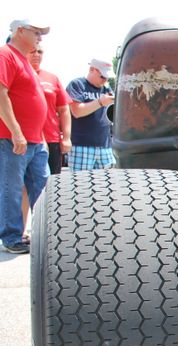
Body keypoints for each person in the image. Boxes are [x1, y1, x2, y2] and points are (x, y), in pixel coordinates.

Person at [0, 19, 50, 254]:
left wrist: (39, 137)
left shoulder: (24, 60)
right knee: (11, 189)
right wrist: (16, 131)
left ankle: (44, 234)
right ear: (20, 31)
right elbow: (1, 94)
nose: (40, 37)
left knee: (43, 187)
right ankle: (11, 237)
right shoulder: (6, 55)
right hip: (13, 140)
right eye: (36, 32)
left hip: (35, 141)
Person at [28, 46, 71, 174]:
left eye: (40, 51)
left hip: (52, 139)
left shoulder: (52, 78)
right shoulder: (16, 75)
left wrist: (66, 138)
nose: (36, 54)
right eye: (32, 51)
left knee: (53, 180)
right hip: (26, 139)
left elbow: (64, 110)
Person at [67, 59, 115, 170]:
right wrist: (100, 102)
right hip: (81, 146)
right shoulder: (77, 85)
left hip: (105, 146)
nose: (105, 80)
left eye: (107, 77)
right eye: (102, 76)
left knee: (109, 180)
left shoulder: (107, 89)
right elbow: (77, 111)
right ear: (92, 69)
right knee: (80, 180)